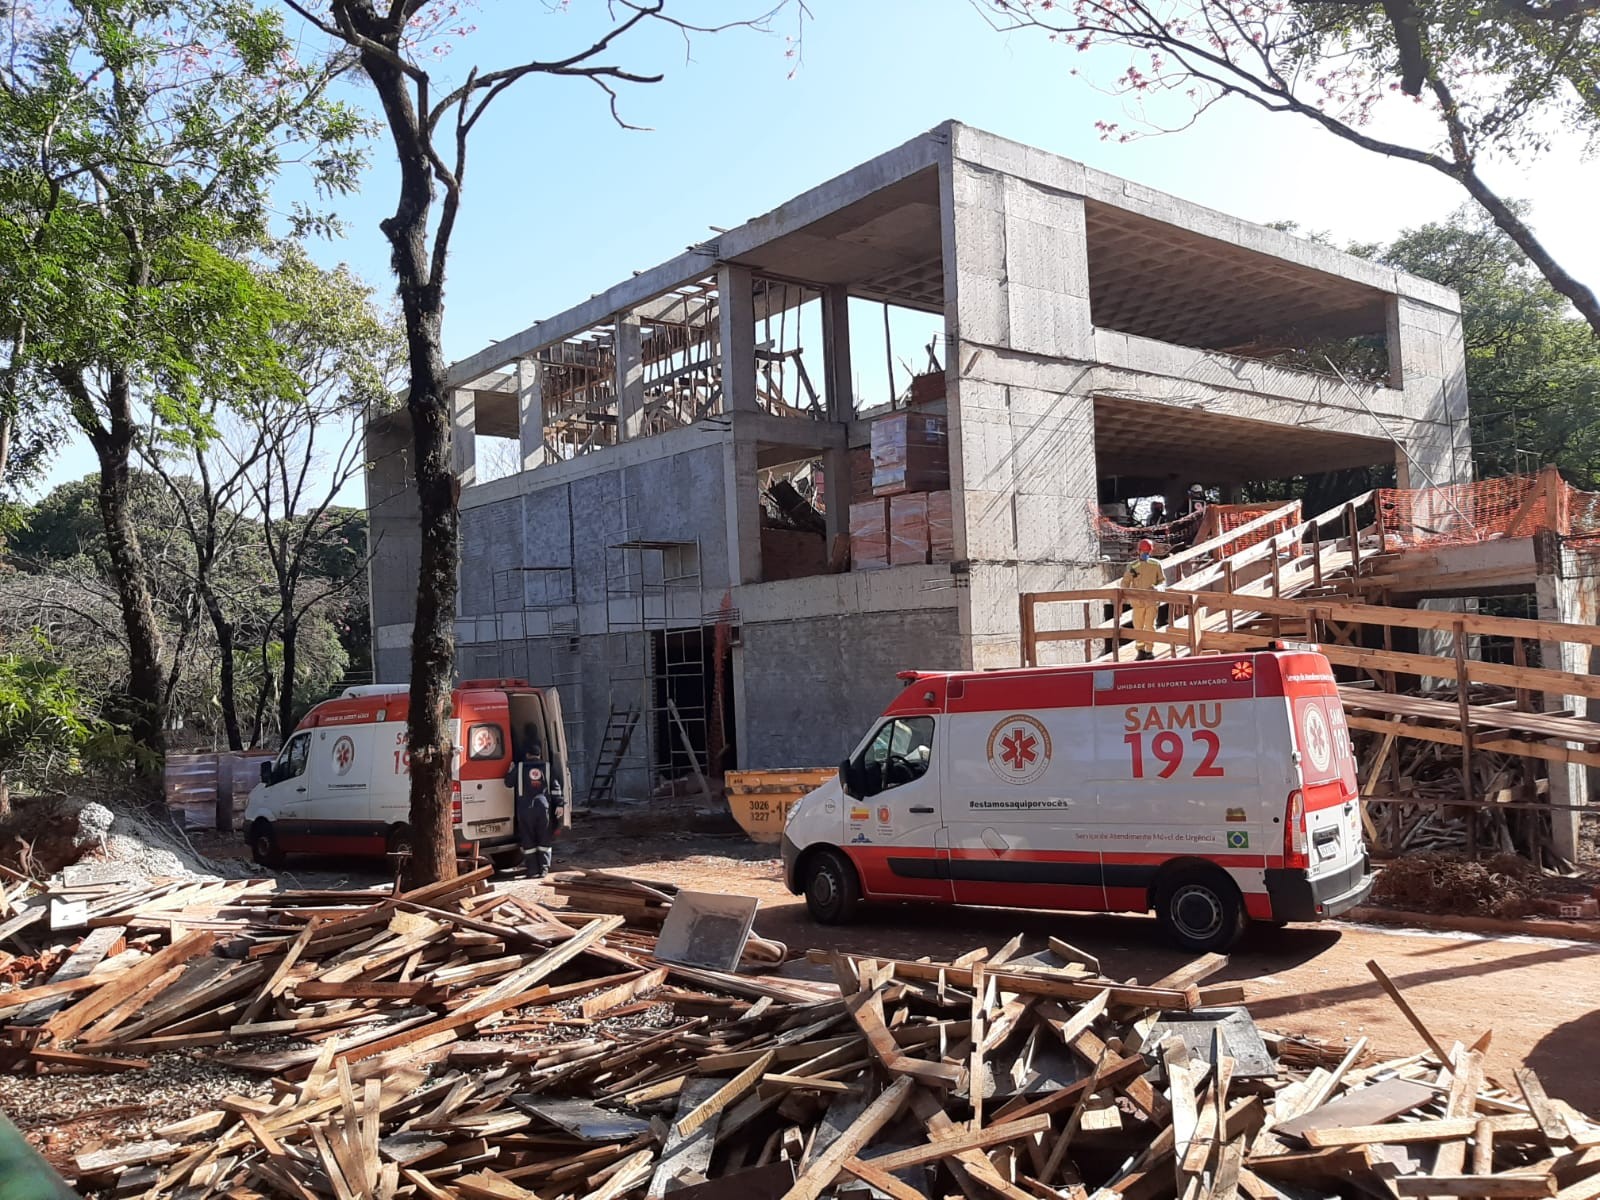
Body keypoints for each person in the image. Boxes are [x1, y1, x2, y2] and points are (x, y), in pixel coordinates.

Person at [506, 748, 557, 878]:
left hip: (525, 809)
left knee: (528, 839)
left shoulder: (519, 767)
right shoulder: (547, 767)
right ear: (539, 754)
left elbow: (508, 783)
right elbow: (556, 787)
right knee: (544, 838)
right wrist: (560, 804)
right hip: (543, 808)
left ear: (527, 754)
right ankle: (544, 869)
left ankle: (532, 870)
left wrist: (510, 770)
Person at [1120, 538, 1165, 661]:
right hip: (1137, 603)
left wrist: (1158, 588)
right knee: (1138, 627)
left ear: (1151, 552)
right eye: (1143, 551)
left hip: (1151, 601)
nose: (1145, 554)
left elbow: (1162, 581)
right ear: (1139, 551)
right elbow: (1125, 583)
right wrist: (1127, 595)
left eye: (1147, 552)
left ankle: (1149, 650)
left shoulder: (1156, 565)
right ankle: (1140, 650)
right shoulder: (1132, 566)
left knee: (1150, 626)